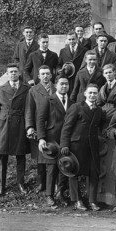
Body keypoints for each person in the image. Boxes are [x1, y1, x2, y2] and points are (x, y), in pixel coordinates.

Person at [60, 83, 107, 211]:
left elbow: (102, 126)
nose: (92, 95)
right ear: (85, 94)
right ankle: (77, 200)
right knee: (74, 172)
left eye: (95, 93)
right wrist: (64, 145)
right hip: (76, 146)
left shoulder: (99, 111)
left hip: (92, 147)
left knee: (93, 172)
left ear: (98, 95)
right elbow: (66, 128)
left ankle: (92, 201)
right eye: (90, 93)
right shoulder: (76, 107)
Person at [0, 63, 30, 197]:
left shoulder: (26, 88)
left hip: (20, 124)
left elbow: (29, 109)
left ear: (19, 73)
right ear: (7, 74)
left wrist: (29, 127)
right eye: (10, 72)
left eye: (15, 72)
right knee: (2, 156)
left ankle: (20, 183)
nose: (13, 74)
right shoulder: (1, 89)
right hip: (4, 126)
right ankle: (1, 186)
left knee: (21, 155)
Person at [36, 75, 73, 207]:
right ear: (56, 85)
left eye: (66, 84)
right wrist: (41, 139)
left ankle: (60, 193)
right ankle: (49, 195)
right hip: (52, 139)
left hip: (67, 140)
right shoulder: (48, 100)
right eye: (62, 84)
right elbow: (40, 120)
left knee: (64, 166)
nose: (64, 86)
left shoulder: (72, 101)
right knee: (52, 168)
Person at [25, 65, 54, 193]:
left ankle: (55, 184)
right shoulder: (34, 90)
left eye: (47, 74)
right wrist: (30, 127)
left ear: (51, 75)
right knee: (40, 157)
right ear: (38, 76)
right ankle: (41, 183)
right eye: (42, 74)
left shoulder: (57, 88)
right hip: (39, 126)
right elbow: (29, 110)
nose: (45, 76)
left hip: (54, 126)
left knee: (53, 154)